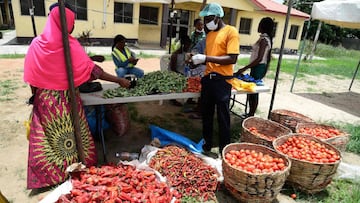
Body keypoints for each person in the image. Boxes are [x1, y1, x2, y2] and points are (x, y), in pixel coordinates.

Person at [23, 3, 130, 189]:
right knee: (71, 133)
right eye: (72, 22)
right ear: (66, 23)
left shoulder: (36, 44)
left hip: (45, 100)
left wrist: (37, 98)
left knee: (49, 140)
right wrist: (119, 80)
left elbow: (33, 77)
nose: (72, 26)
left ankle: (52, 177)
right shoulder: (69, 44)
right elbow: (93, 71)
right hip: (66, 99)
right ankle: (73, 171)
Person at [191, 3, 240, 155]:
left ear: (217, 17)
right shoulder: (210, 35)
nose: (206, 23)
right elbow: (211, 59)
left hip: (222, 81)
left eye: (209, 19)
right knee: (207, 115)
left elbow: (232, 58)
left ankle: (224, 149)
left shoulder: (231, 31)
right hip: (208, 80)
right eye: (205, 20)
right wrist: (197, 61)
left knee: (223, 117)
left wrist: (205, 57)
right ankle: (207, 145)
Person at [234, 17, 274, 117]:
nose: (258, 26)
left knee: (254, 91)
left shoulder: (264, 40)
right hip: (257, 66)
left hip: (258, 67)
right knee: (251, 90)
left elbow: (259, 58)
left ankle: (251, 114)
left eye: (260, 24)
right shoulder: (263, 38)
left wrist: (244, 68)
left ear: (263, 26)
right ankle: (250, 113)